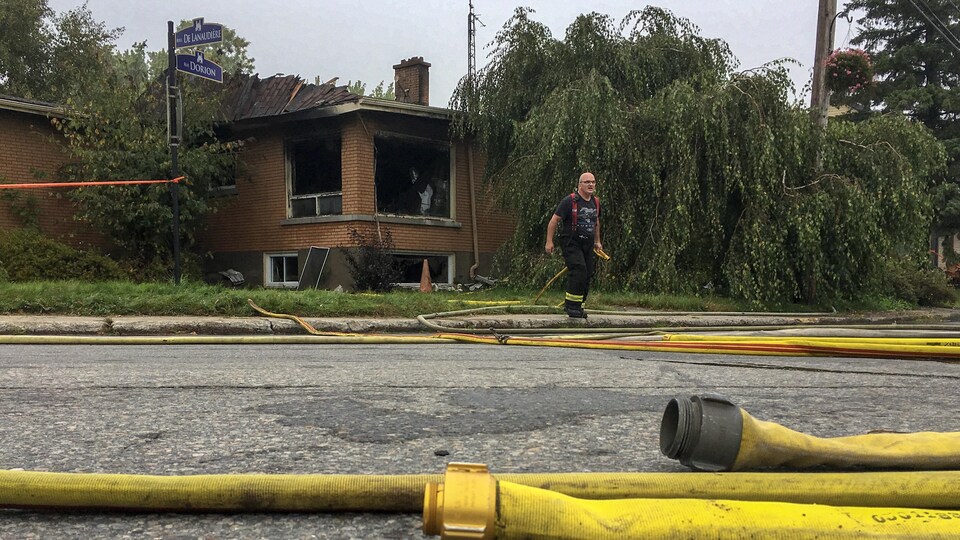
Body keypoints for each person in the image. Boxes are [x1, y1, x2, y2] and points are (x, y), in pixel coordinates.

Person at [545, 171, 602, 318]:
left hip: (588, 243)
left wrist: (597, 241)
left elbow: (596, 223)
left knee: (588, 273)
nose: (591, 184)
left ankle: (579, 306)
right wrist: (549, 241)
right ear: (579, 185)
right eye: (587, 182)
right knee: (578, 270)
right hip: (572, 242)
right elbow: (554, 221)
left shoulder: (595, 202)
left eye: (593, 182)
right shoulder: (570, 201)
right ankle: (571, 307)